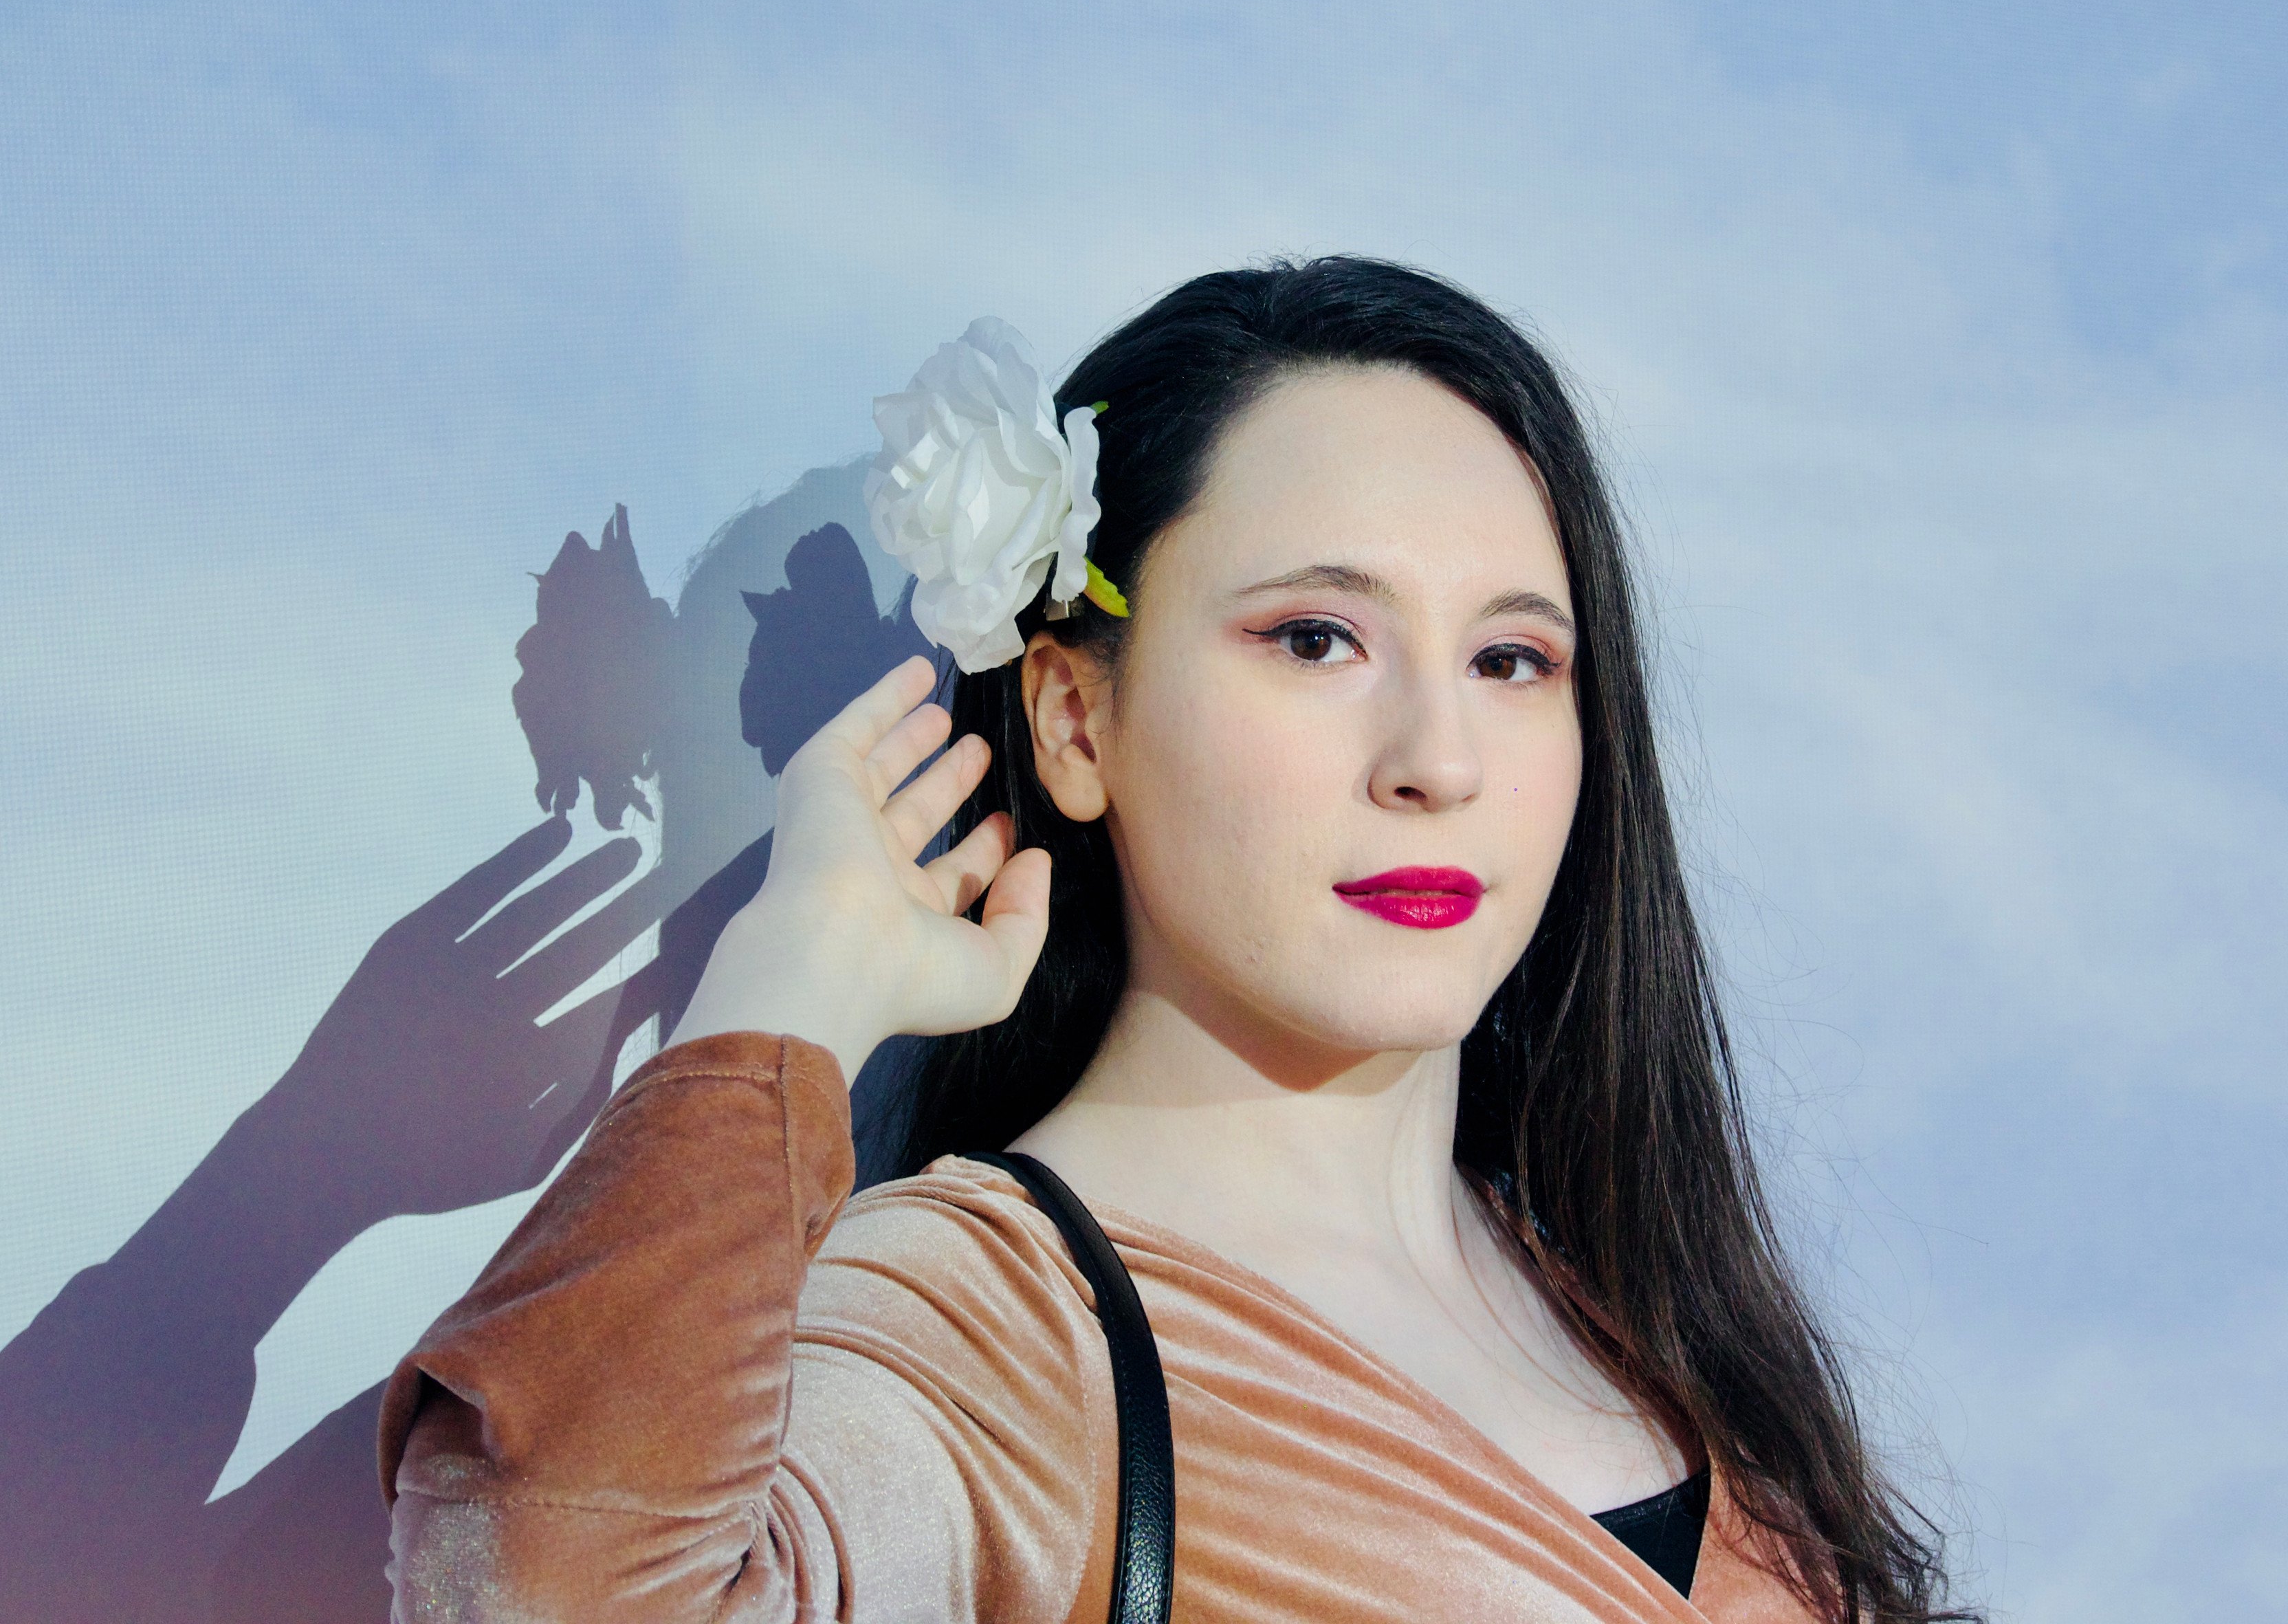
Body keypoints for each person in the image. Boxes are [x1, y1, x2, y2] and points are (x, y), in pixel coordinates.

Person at [376, 256, 1967, 1622]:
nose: (1440, 759)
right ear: (1075, 720)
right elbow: (540, 1587)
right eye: (1316, 639)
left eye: (1512, 661)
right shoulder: (993, 1332)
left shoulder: (1645, 1319)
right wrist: (786, 996)